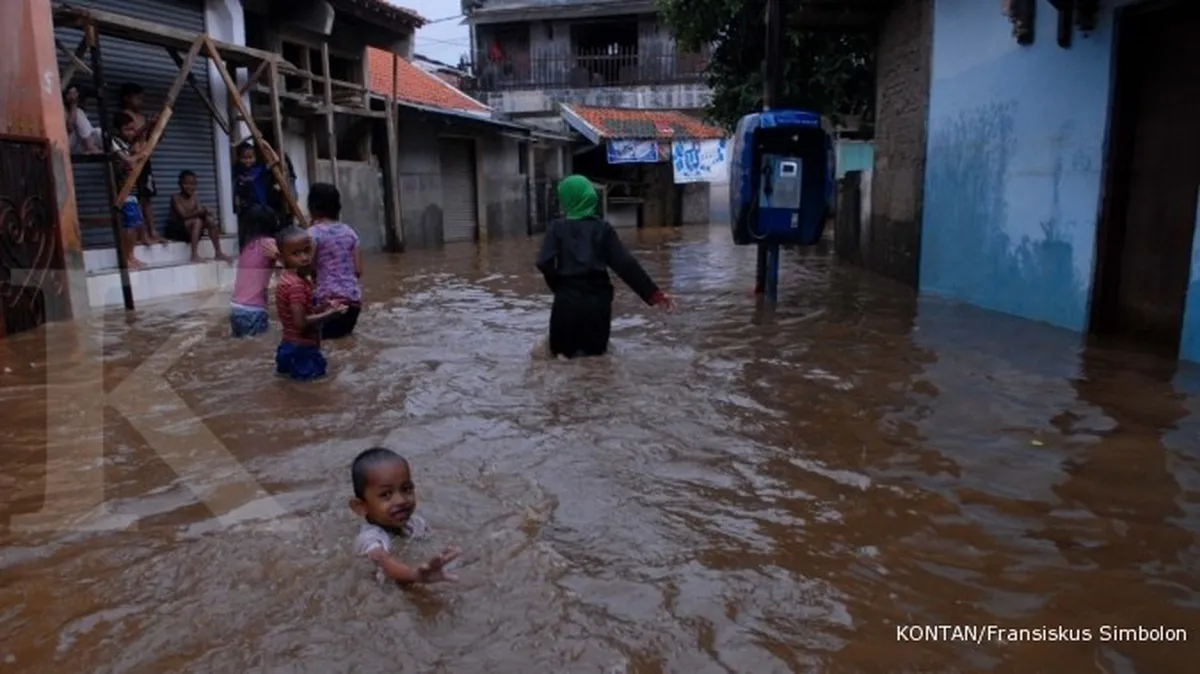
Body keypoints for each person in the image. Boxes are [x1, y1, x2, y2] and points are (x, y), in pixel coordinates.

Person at [535, 175, 675, 358]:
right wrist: (654, 294)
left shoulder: (556, 228)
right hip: (597, 305)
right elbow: (625, 265)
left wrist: (560, 287)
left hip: (566, 304)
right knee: (596, 363)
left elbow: (544, 262)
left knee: (562, 361)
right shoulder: (603, 229)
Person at [350, 447, 461, 585]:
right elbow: (384, 562)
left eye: (406, 489)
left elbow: (432, 545)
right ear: (361, 507)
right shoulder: (369, 539)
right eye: (386, 494)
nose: (401, 500)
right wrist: (415, 575)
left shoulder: (415, 524)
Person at [274, 225, 347, 380]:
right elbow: (300, 323)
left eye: (307, 251)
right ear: (281, 258)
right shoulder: (297, 285)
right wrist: (330, 314)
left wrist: (323, 307)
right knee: (313, 393)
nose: (304, 257)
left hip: (288, 346)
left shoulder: (286, 279)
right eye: (296, 253)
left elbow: (301, 312)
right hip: (303, 350)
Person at [308, 183, 363, 339]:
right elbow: (358, 270)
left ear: (312, 207)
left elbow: (306, 266)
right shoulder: (350, 232)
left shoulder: (312, 234)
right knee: (344, 341)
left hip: (328, 304)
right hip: (353, 303)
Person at [119, 82, 162, 246]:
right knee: (135, 199)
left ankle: (153, 232)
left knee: (147, 198)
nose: (141, 101)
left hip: (145, 160)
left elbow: (152, 138)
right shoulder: (124, 117)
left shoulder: (143, 117)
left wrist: (156, 128)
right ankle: (142, 235)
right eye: (137, 98)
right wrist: (146, 126)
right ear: (127, 98)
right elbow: (130, 139)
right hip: (131, 161)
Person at [229, 205, 279, 338]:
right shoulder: (269, 244)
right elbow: (289, 268)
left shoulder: (246, 246)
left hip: (235, 308)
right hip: (253, 310)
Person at [108, 112, 148, 270]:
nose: (131, 133)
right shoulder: (113, 143)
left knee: (136, 224)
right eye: (127, 129)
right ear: (118, 130)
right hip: (123, 191)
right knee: (130, 225)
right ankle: (126, 258)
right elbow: (128, 162)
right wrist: (140, 155)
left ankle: (131, 255)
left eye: (133, 129)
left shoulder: (125, 144)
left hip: (132, 190)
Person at [167, 170, 231, 263]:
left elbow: (201, 212)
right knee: (197, 221)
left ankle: (218, 252)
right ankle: (194, 255)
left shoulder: (195, 197)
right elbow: (183, 215)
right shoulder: (175, 197)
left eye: (192, 184)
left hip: (191, 230)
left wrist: (207, 212)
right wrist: (200, 211)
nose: (189, 187)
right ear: (180, 184)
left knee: (209, 220)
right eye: (186, 184)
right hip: (177, 230)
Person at [64, 86, 102, 154]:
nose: (87, 103)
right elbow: (89, 145)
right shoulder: (77, 112)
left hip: (74, 147)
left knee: (99, 132)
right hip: (72, 149)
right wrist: (74, 104)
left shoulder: (74, 112)